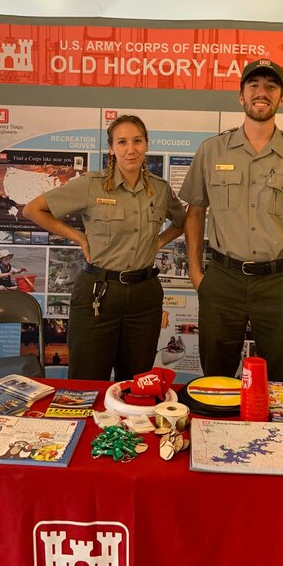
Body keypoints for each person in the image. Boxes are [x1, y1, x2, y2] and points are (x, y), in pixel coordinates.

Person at [179, 59, 283, 382]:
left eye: (271, 87)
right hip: (223, 279)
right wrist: (195, 271)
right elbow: (195, 212)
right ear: (241, 96)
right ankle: (216, 434)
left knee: (281, 380)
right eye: (254, 86)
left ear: (282, 98)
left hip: (278, 283)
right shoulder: (212, 150)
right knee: (215, 380)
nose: (262, 93)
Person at [23, 114, 185, 381]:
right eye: (122, 142)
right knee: (87, 380)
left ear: (146, 145)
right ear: (111, 148)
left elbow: (182, 222)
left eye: (137, 141)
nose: (130, 149)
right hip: (100, 292)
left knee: (136, 383)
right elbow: (33, 210)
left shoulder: (159, 189)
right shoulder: (91, 185)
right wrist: (79, 238)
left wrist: (159, 242)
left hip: (145, 296)